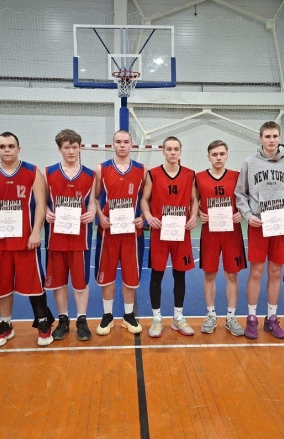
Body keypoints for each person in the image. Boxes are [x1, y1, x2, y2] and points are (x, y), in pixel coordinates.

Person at [0, 132, 52, 347]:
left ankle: (43, 323)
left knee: (35, 284)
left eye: (11, 146)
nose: (7, 150)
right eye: (2, 146)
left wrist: (36, 232)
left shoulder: (32, 171)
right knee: (2, 286)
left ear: (19, 148)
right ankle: (5, 325)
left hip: (26, 241)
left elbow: (41, 204)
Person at [235, 121, 284, 340]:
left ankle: (272, 318)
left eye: (275, 136)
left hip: (280, 225)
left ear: (279, 138)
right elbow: (240, 193)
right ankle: (252, 318)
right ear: (260, 138)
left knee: (275, 273)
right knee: (256, 272)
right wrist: (248, 215)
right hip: (259, 225)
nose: (271, 140)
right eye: (267, 136)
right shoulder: (250, 162)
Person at [140, 136, 199, 338]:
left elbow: (194, 200)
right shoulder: (153, 174)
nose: (173, 152)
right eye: (169, 149)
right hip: (160, 232)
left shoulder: (190, 174)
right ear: (163, 151)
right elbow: (144, 200)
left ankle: (177, 317)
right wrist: (148, 216)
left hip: (182, 233)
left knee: (180, 275)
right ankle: (157, 318)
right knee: (156, 275)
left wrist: (194, 216)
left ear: (180, 151)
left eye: (176, 149)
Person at [44, 129, 96, 342]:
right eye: (67, 147)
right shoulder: (48, 172)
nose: (71, 151)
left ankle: (82, 320)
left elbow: (92, 201)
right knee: (59, 283)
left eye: (75, 147)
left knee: (81, 284)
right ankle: (63, 319)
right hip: (56, 238)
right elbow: (41, 202)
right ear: (60, 149)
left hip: (80, 238)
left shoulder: (90, 174)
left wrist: (92, 211)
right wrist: (46, 211)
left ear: (80, 147)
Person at [94, 130, 145, 336]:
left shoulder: (142, 170)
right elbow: (94, 198)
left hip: (132, 233)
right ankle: (107, 315)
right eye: (118, 142)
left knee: (130, 276)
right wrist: (100, 215)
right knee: (107, 275)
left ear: (131, 144)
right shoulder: (102, 169)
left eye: (126, 142)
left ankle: (128, 315)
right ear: (113, 144)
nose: (122, 145)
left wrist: (144, 216)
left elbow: (146, 199)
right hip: (108, 232)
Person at [195, 140, 247, 336]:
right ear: (208, 156)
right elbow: (193, 201)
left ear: (227, 155)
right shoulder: (199, 177)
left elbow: (245, 200)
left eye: (221, 154)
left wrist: (241, 213)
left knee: (232, 275)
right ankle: (211, 315)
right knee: (209, 274)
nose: (218, 158)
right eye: (214, 154)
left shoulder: (237, 176)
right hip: (210, 233)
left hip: (231, 233)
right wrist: (198, 213)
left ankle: (231, 318)